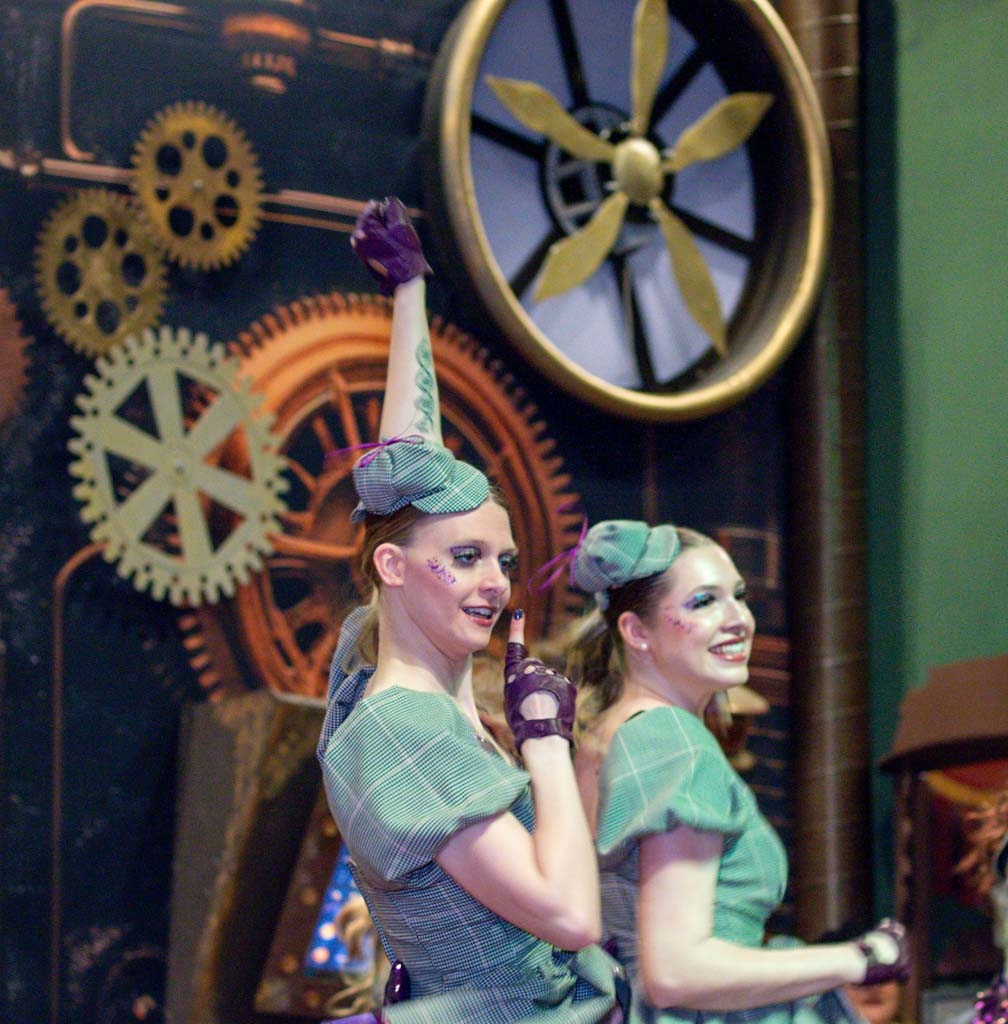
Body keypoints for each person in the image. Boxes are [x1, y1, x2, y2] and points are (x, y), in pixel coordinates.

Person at [316, 198, 620, 1023]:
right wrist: (545, 742)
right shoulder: (403, 729)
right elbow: (571, 918)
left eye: (504, 561)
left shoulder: (403, 680)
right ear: (392, 570)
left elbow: (409, 466)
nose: (495, 583)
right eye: (465, 558)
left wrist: (409, 292)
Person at [560, 518, 910, 1024]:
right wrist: (859, 958)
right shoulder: (669, 739)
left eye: (739, 596)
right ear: (636, 632)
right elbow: (674, 971)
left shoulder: (605, 737)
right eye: (704, 602)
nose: (740, 619)